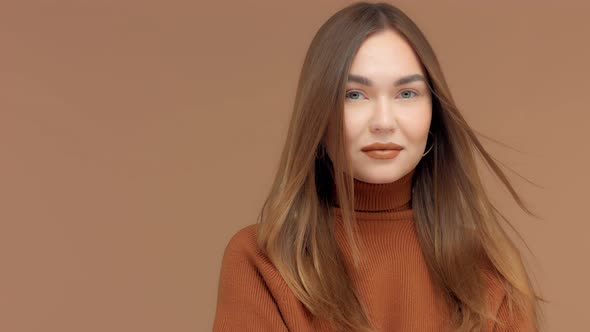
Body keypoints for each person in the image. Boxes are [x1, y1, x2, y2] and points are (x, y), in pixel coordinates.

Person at [212, 2, 545, 331]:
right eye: (355, 94)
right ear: (317, 113)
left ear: (434, 114)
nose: (384, 122)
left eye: (407, 93)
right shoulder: (262, 261)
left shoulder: (488, 269)